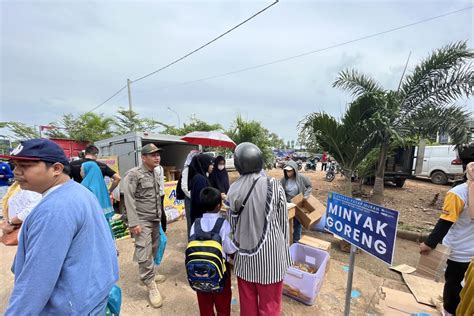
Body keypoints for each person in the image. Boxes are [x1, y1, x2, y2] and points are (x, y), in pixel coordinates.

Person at [1, 138, 118, 315]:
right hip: (92, 296)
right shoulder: (80, 192)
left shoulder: (54, 209)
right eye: (15, 165)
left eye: (25, 166)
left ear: (56, 169)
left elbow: (36, 281)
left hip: (73, 306)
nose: (16, 172)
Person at [226, 142, 291, 316]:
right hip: (271, 259)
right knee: (269, 306)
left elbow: (232, 225)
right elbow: (283, 222)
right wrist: (285, 253)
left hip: (244, 260)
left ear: (238, 165)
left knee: (247, 306)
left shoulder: (232, 189)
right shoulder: (274, 185)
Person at [419, 162, 474, 315]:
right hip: (471, 254)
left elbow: (445, 222)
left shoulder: (458, 193)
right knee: (467, 287)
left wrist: (429, 244)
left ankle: (449, 312)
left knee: (453, 285)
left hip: (458, 252)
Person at [123, 143, 165, 308]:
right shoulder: (134, 174)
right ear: (143, 157)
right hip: (142, 220)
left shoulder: (154, 172)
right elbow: (129, 198)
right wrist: (134, 222)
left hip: (154, 218)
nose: (157, 157)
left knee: (154, 247)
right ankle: (150, 284)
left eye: (158, 154)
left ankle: (151, 274)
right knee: (144, 249)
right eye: (153, 155)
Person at [189, 187, 237, 316]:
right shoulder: (224, 224)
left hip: (199, 272)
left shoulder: (195, 224)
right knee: (223, 305)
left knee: (205, 306)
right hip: (221, 271)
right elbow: (230, 248)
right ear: (219, 205)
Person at [281, 160, 313, 242]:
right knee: (286, 223)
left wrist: (306, 196)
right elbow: (280, 190)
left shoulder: (302, 178)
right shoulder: (284, 180)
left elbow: (309, 186)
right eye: (286, 171)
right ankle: (286, 241)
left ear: (295, 170)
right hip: (288, 204)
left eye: (290, 171)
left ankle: (296, 241)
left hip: (298, 203)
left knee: (297, 223)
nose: (288, 173)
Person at [189, 154, 214, 224]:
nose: (212, 167)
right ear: (205, 164)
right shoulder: (200, 179)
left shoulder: (201, 176)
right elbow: (201, 199)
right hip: (200, 217)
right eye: (210, 164)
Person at [181, 149, 201, 235]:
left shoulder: (199, 169)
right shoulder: (187, 169)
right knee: (191, 220)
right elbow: (184, 187)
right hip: (190, 198)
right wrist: (194, 196)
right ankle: (191, 241)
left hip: (199, 198)